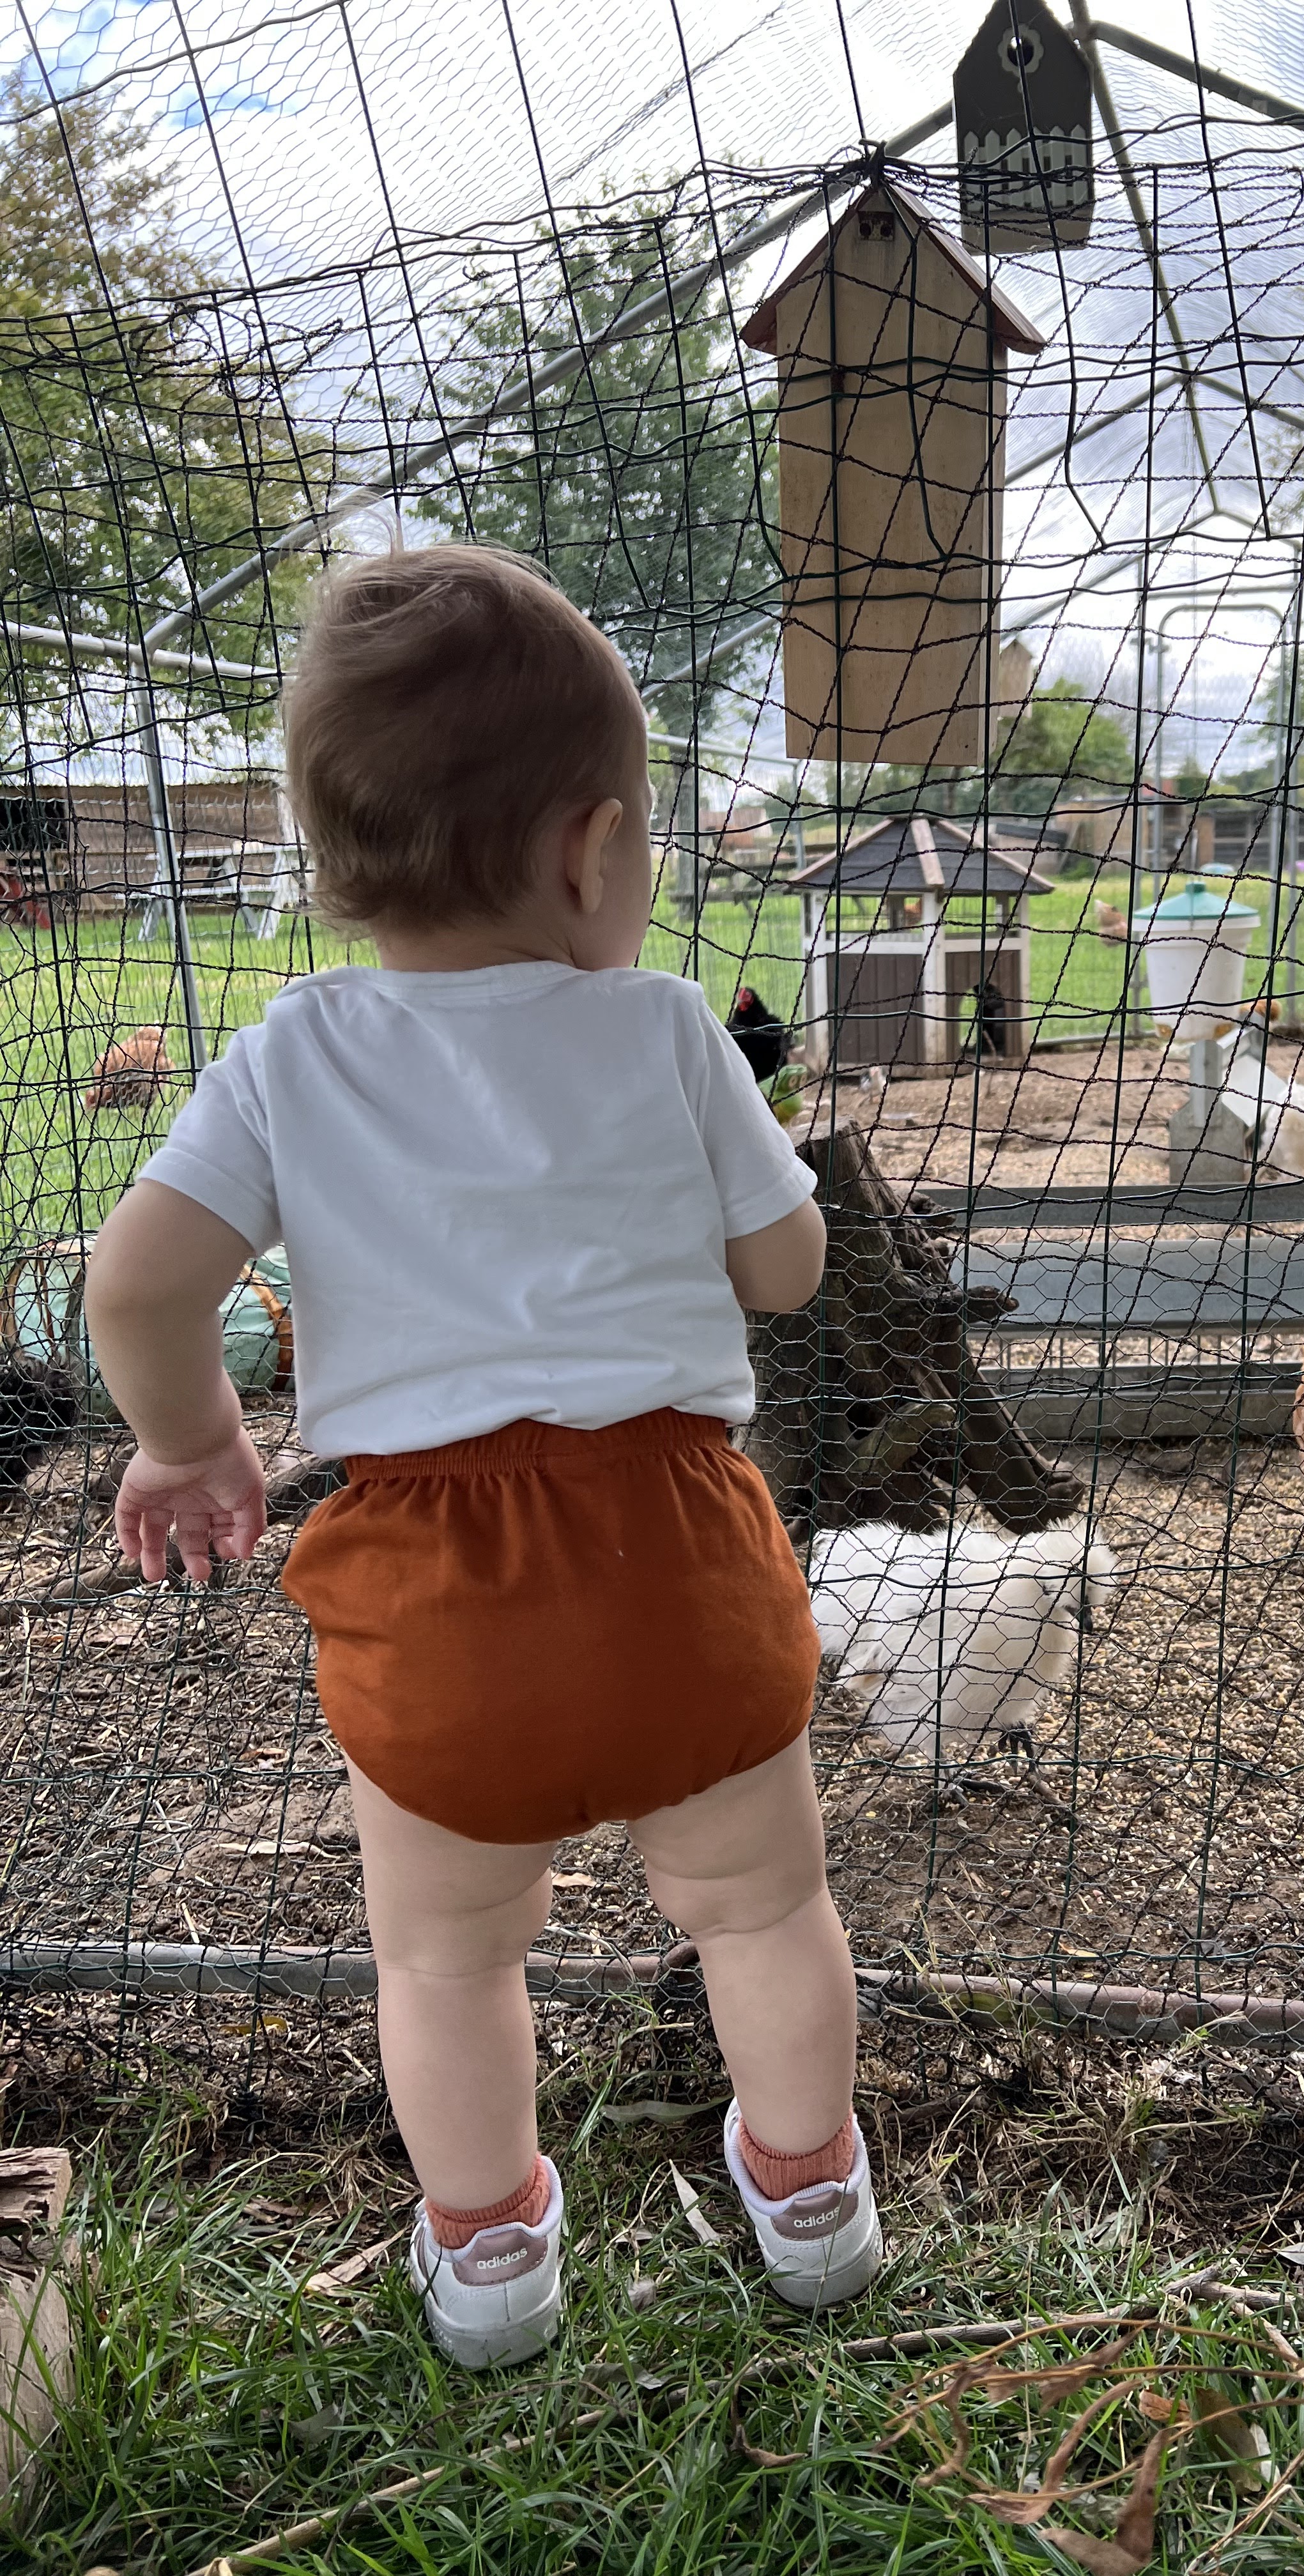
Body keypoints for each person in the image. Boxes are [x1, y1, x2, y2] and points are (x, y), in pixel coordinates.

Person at [82, 544, 882, 2368]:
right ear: (594, 852)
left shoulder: (291, 1054)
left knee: (445, 1955)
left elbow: (134, 1286)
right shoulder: (668, 1026)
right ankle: (814, 2201)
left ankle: (494, 2255)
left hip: (436, 1590)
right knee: (765, 1906)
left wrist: (193, 1443)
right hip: (677, 1553)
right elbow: (787, 1271)